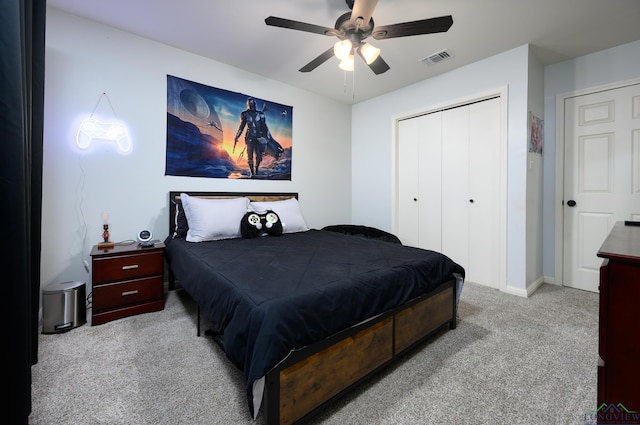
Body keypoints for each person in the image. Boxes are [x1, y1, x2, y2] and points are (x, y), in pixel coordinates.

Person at [234, 97, 273, 177]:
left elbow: (264, 126)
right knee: (250, 155)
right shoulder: (245, 114)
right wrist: (237, 136)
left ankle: (256, 168)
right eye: (250, 103)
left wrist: (266, 136)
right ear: (248, 104)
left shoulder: (261, 114)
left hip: (259, 137)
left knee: (259, 155)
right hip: (250, 137)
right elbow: (242, 127)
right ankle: (252, 173)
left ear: (255, 104)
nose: (251, 105)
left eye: (253, 103)